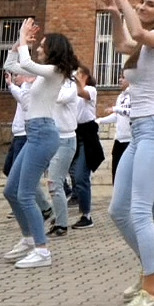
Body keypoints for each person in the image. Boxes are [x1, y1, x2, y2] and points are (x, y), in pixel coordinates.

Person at [99, 0, 154, 306]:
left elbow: (141, 34)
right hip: (137, 133)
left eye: (150, 4)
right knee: (118, 210)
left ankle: (151, 290)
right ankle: (151, 268)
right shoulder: (143, 47)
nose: (143, 7)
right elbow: (122, 45)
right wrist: (116, 13)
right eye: (140, 2)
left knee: (140, 211)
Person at [2, 19, 74, 269]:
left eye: (42, 45)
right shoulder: (43, 74)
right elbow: (12, 65)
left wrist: (23, 36)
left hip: (44, 134)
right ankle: (28, 238)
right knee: (11, 190)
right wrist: (17, 44)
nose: (38, 48)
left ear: (53, 50)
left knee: (24, 194)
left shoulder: (56, 72)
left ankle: (42, 250)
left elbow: (26, 62)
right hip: (34, 134)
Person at [38, 62, 92, 237]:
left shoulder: (70, 86)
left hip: (66, 140)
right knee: (53, 183)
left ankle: (61, 224)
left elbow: (59, 97)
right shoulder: (57, 82)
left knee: (55, 182)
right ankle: (54, 214)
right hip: (52, 138)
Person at [64, 64, 102, 229]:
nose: (75, 75)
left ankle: (86, 215)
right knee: (69, 172)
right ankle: (70, 198)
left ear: (85, 75)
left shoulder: (90, 89)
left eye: (78, 73)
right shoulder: (73, 91)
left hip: (87, 136)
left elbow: (82, 92)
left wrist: (74, 81)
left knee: (81, 176)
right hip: (74, 133)